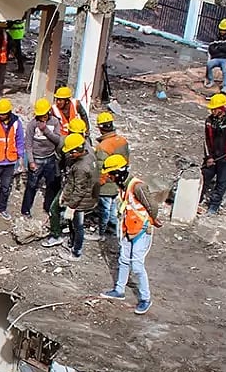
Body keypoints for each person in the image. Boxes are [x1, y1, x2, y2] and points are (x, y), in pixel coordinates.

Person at [100, 155, 161, 315]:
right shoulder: (123, 186)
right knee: (124, 260)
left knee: (137, 266)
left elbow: (152, 207)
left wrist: (153, 220)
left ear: (119, 172)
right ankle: (119, 290)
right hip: (128, 229)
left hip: (141, 230)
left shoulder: (138, 187)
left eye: (111, 174)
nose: (110, 178)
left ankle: (145, 298)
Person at [199, 93, 226, 215]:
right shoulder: (209, 122)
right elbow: (207, 140)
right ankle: (198, 199)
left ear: (222, 108)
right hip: (212, 157)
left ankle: (214, 205)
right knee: (204, 178)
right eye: (212, 109)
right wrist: (209, 157)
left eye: (215, 109)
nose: (213, 111)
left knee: (222, 182)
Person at [57, 133, 99, 261]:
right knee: (75, 224)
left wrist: (71, 206)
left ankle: (76, 252)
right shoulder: (90, 155)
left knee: (78, 225)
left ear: (77, 150)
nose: (69, 155)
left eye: (71, 152)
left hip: (81, 201)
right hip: (88, 197)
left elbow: (79, 189)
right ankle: (72, 242)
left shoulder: (80, 167)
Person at [21, 98, 62, 219]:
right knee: (31, 186)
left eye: (44, 115)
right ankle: (26, 210)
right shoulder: (32, 124)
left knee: (51, 185)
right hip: (37, 159)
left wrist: (45, 130)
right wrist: (31, 161)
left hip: (50, 158)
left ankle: (48, 207)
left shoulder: (54, 122)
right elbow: (28, 144)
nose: (42, 118)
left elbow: (57, 139)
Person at [90, 111, 128, 238]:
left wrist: (98, 184)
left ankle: (101, 232)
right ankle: (113, 230)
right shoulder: (122, 141)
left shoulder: (103, 146)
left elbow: (101, 169)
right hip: (119, 180)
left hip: (107, 183)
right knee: (113, 209)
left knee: (104, 209)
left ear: (100, 127)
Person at [204, 18, 226, 92]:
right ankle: (211, 80)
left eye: (224, 30)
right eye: (221, 30)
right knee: (209, 64)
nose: (222, 32)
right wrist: (222, 48)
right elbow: (211, 49)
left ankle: (225, 86)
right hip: (216, 58)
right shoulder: (215, 36)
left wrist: (218, 47)